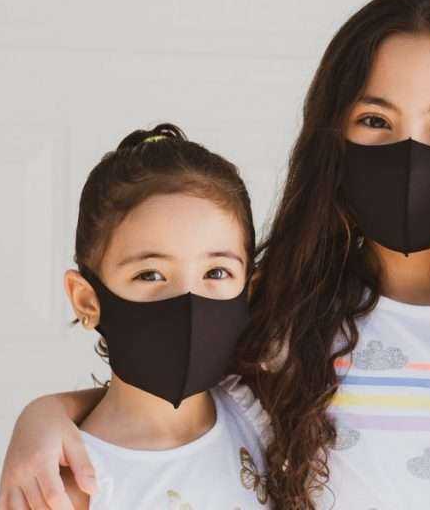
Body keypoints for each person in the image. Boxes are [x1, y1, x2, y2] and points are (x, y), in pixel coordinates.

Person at [0, 0, 430, 509]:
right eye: (375, 119)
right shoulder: (284, 316)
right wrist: (44, 416)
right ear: (333, 136)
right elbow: (157, 390)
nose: (410, 154)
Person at [50, 123, 271, 509]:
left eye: (216, 272)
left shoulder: (257, 413)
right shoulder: (72, 486)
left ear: (248, 290)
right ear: (87, 300)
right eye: (150, 275)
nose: (188, 300)